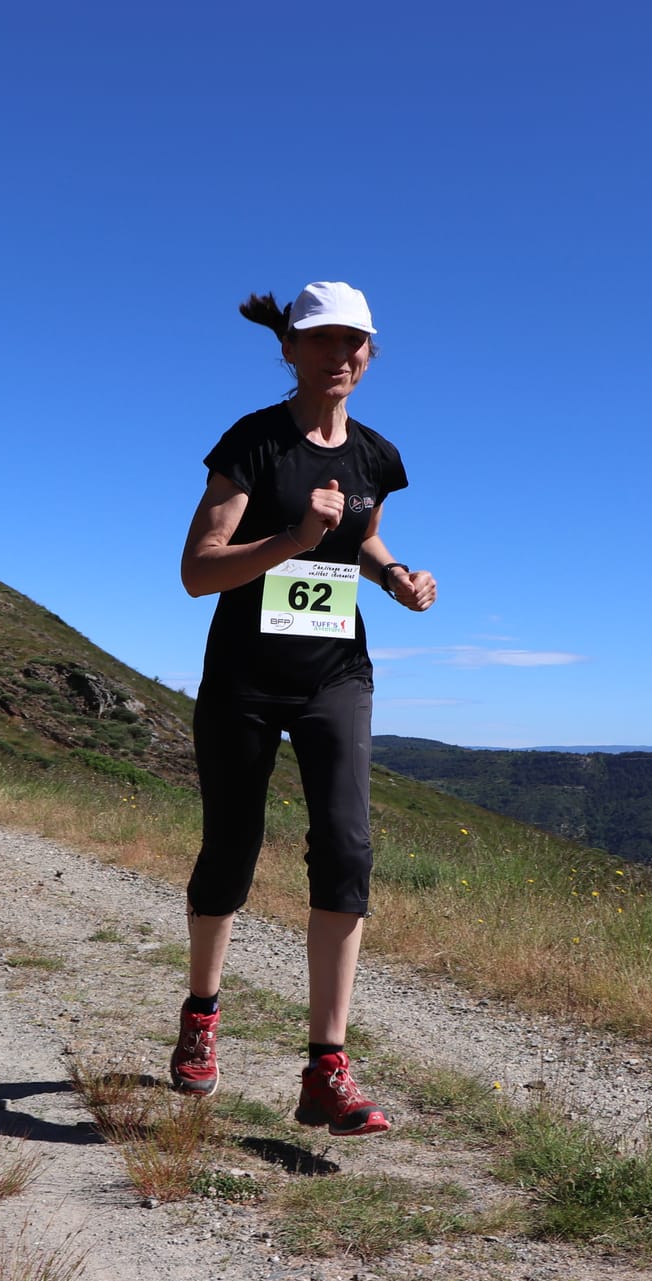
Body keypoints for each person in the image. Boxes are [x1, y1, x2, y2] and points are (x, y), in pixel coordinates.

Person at [171, 280, 437, 1136]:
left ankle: (327, 1067)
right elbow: (199, 569)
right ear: (289, 349)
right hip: (245, 673)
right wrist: (291, 539)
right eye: (322, 340)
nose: (340, 355)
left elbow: (360, 537)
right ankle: (202, 1014)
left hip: (336, 675)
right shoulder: (252, 442)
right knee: (233, 846)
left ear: (372, 353)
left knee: (349, 846)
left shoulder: (377, 456)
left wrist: (395, 575)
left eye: (355, 341)